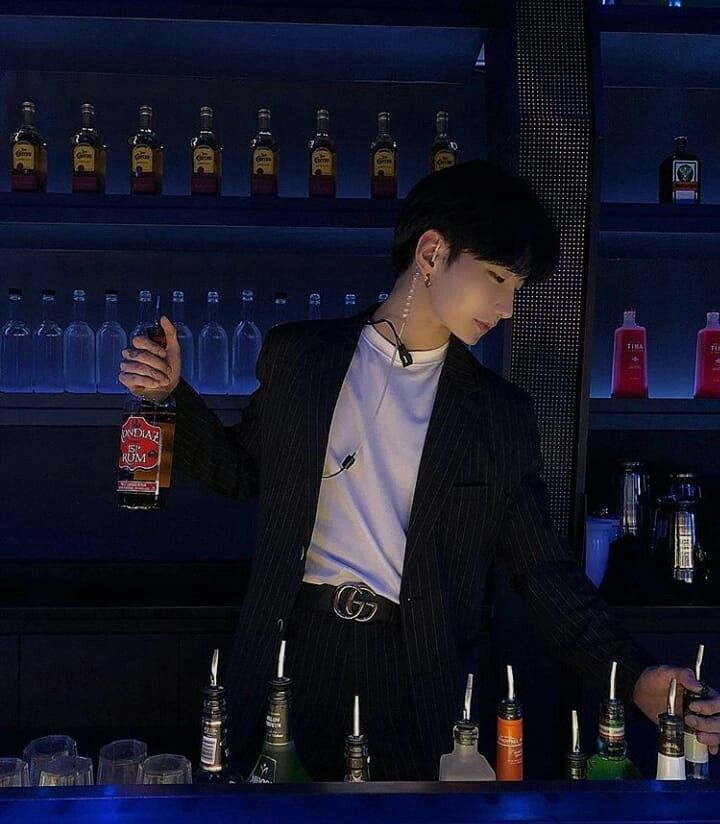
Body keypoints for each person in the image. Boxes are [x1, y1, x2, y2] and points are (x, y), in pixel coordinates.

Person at [119, 160, 719, 780]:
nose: (507, 307)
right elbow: (240, 472)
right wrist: (170, 398)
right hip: (291, 647)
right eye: (494, 278)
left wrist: (636, 673)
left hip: (412, 668)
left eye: (516, 287)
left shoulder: (499, 415)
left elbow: (544, 572)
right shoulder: (300, 357)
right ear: (432, 252)